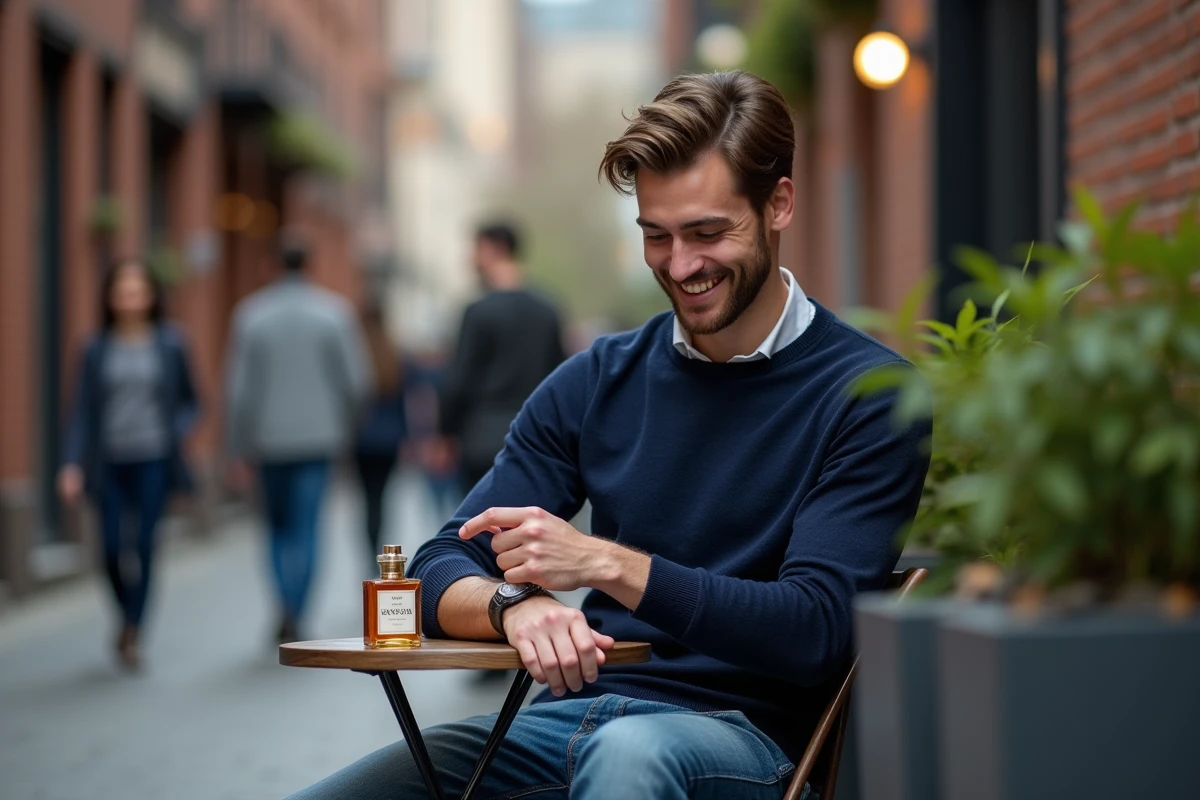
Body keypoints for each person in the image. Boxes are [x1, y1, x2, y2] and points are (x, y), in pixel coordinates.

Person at [289, 70, 931, 800]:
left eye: (707, 233)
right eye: (656, 236)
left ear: (779, 202)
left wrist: (605, 563)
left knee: (628, 757)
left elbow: (815, 629)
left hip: (742, 742)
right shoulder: (599, 379)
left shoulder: (871, 396)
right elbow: (440, 559)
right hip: (564, 725)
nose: (681, 265)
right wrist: (513, 607)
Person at [225, 230, 371, 644]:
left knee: (275, 527)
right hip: (319, 441)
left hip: (267, 443)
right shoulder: (334, 313)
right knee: (308, 527)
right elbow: (358, 383)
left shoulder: (250, 315)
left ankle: (284, 603)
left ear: (271, 265)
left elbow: (237, 392)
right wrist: (346, 428)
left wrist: (236, 447)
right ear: (310, 265)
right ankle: (299, 609)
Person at [59, 258, 201, 670]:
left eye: (138, 290)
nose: (130, 298)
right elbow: (81, 411)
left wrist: (176, 429)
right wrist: (71, 463)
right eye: (122, 291)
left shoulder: (172, 344)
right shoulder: (94, 348)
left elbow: (193, 402)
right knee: (108, 549)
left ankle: (134, 630)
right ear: (110, 298)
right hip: (108, 463)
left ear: (152, 296)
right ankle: (125, 613)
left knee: (143, 546)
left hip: (154, 458)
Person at [438, 222, 565, 493]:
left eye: (477, 249)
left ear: (498, 249)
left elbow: (459, 378)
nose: (471, 258)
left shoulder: (478, 310)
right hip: (536, 438)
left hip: (481, 439)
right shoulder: (548, 308)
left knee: (477, 528)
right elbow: (560, 374)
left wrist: (444, 433)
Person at [353, 302, 408, 560]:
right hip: (390, 439)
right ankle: (381, 547)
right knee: (382, 496)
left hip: (361, 439)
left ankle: (369, 545)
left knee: (366, 498)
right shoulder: (393, 354)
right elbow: (405, 401)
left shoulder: (356, 355)